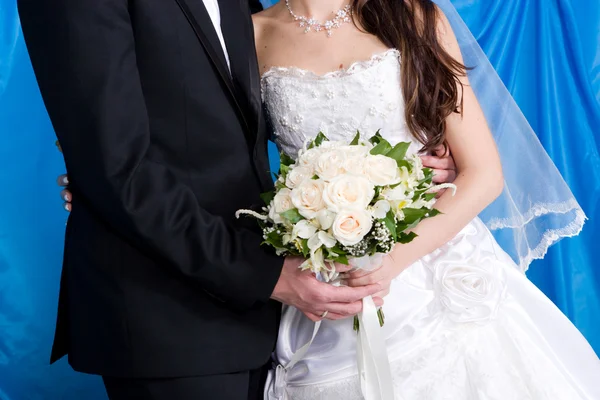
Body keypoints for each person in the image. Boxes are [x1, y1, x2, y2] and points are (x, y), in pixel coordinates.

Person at [52, 0, 600, 399]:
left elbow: (483, 173)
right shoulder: (253, 31)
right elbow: (204, 140)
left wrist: (389, 261)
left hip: (424, 269)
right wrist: (100, 178)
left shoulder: (411, 16)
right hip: (317, 277)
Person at [16, 0, 425, 398]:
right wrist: (267, 276)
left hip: (275, 316)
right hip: (167, 318)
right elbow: (117, 167)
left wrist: (407, 166)